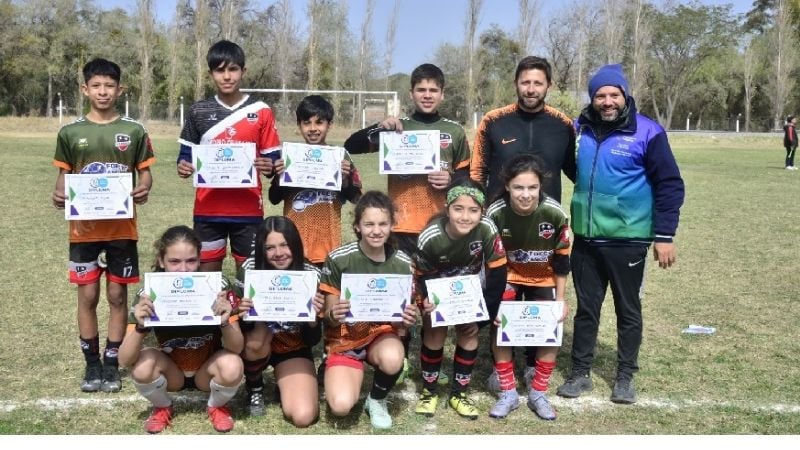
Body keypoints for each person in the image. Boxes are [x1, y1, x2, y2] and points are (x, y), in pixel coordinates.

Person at [557, 63, 685, 405]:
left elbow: (670, 184)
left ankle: (625, 376)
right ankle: (580, 373)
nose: (607, 101)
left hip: (628, 239)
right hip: (585, 237)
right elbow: (576, 169)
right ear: (592, 98)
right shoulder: (578, 129)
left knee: (628, 310)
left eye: (614, 94)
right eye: (600, 95)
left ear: (625, 95)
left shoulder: (648, 131)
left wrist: (664, 234)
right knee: (587, 309)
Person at [344, 63, 471, 382]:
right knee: (398, 296)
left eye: (433, 90)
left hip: (438, 230)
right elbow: (352, 145)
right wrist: (379, 128)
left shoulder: (454, 131)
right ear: (412, 93)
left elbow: (467, 180)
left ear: (442, 94)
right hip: (398, 228)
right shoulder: (397, 127)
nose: (427, 95)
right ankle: (398, 358)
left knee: (429, 298)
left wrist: (452, 178)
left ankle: (429, 360)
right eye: (421, 89)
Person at [51, 58, 155, 393]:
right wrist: (58, 194)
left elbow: (145, 172)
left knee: (116, 295)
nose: (103, 92)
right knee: (88, 295)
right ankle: (91, 365)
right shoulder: (70, 132)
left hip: (121, 231)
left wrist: (144, 186)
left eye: (109, 86)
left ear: (119, 89)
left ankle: (111, 365)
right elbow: (63, 178)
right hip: (83, 230)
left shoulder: (134, 130)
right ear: (85, 89)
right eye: (96, 86)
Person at [118, 226, 244, 433]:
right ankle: (162, 406)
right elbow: (124, 359)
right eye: (174, 262)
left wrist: (225, 321)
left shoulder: (217, 286)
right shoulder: (149, 293)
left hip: (207, 371)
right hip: (172, 373)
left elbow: (237, 347)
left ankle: (216, 405)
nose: (184, 269)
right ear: (161, 261)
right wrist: (140, 327)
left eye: (191, 261)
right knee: (142, 366)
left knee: (233, 365)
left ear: (200, 259)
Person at [319, 191, 420, 430]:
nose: (376, 230)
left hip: (380, 335)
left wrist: (409, 317)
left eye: (383, 224)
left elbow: (405, 319)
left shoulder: (403, 263)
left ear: (392, 224)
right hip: (345, 338)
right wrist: (335, 312)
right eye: (369, 224)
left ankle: (376, 400)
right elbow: (329, 316)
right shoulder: (339, 258)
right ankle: (342, 369)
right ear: (357, 226)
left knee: (394, 357)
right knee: (341, 406)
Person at [176, 40, 279, 273]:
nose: (227, 76)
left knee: (250, 281)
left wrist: (269, 166)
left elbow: (273, 158)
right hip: (208, 210)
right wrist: (183, 167)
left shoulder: (261, 110)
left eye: (232, 69)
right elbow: (185, 156)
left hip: (248, 210)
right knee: (208, 282)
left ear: (244, 71)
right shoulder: (198, 110)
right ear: (211, 73)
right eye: (219, 70)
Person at [484, 154, 571, 420]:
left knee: (551, 327)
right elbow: (490, 261)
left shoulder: (555, 213)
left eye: (532, 188)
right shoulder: (495, 213)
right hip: (507, 276)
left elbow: (562, 260)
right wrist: (495, 301)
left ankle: (538, 392)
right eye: (519, 187)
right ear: (508, 185)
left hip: (542, 277)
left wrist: (560, 299)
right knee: (500, 325)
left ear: (540, 187)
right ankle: (508, 391)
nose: (526, 194)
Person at [412, 180, 507, 420]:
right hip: (439, 291)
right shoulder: (430, 237)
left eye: (473, 210)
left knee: (469, 332)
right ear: (447, 208)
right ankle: (429, 391)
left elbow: (497, 275)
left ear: (482, 211)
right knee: (435, 330)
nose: (466, 216)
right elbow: (421, 276)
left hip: (470, 293)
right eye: (458, 209)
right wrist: (425, 301)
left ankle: (459, 393)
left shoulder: (487, 228)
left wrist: (482, 316)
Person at [236, 216, 324, 427]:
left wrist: (313, 319)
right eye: (270, 247)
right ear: (261, 249)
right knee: (256, 338)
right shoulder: (249, 269)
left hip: (292, 346)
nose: (279, 253)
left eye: (285, 245)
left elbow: (313, 340)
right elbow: (239, 329)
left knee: (303, 416)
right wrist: (243, 313)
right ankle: (255, 388)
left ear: (295, 244)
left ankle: (284, 383)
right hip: (258, 343)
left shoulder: (311, 274)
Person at [268, 95, 363, 265]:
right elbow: (274, 199)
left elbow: (356, 197)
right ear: (299, 125)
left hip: (328, 243)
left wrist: (345, 179)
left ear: (329, 125)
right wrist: (278, 178)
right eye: (307, 123)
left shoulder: (341, 156)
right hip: (293, 242)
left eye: (319, 123)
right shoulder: (288, 156)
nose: (313, 128)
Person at [470, 55, 575, 203]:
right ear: (516, 83)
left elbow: (577, 173)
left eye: (538, 83)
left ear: (548, 85)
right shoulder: (492, 120)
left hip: (547, 219)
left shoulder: (563, 124)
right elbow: (477, 172)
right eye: (525, 83)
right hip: (499, 219)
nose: (531, 90)